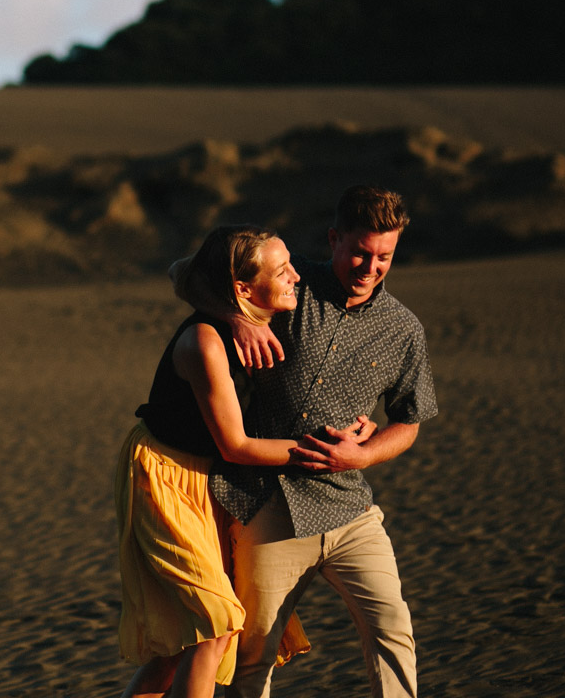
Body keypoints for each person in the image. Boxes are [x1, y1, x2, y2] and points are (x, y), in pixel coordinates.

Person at [115, 224, 378, 698]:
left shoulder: (251, 311)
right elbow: (236, 445)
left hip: (213, 481)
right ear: (242, 288)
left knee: (185, 645)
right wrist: (328, 453)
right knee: (215, 625)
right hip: (166, 476)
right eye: (282, 271)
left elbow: (183, 272)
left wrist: (354, 429)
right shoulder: (204, 344)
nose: (297, 276)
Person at [206, 186, 437, 698]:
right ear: (334, 238)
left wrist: (365, 453)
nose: (370, 266)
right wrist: (232, 318)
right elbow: (188, 275)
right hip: (268, 505)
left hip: (350, 507)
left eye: (384, 257)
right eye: (359, 250)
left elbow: (411, 419)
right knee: (253, 654)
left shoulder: (403, 329)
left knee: (393, 631)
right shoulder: (291, 283)